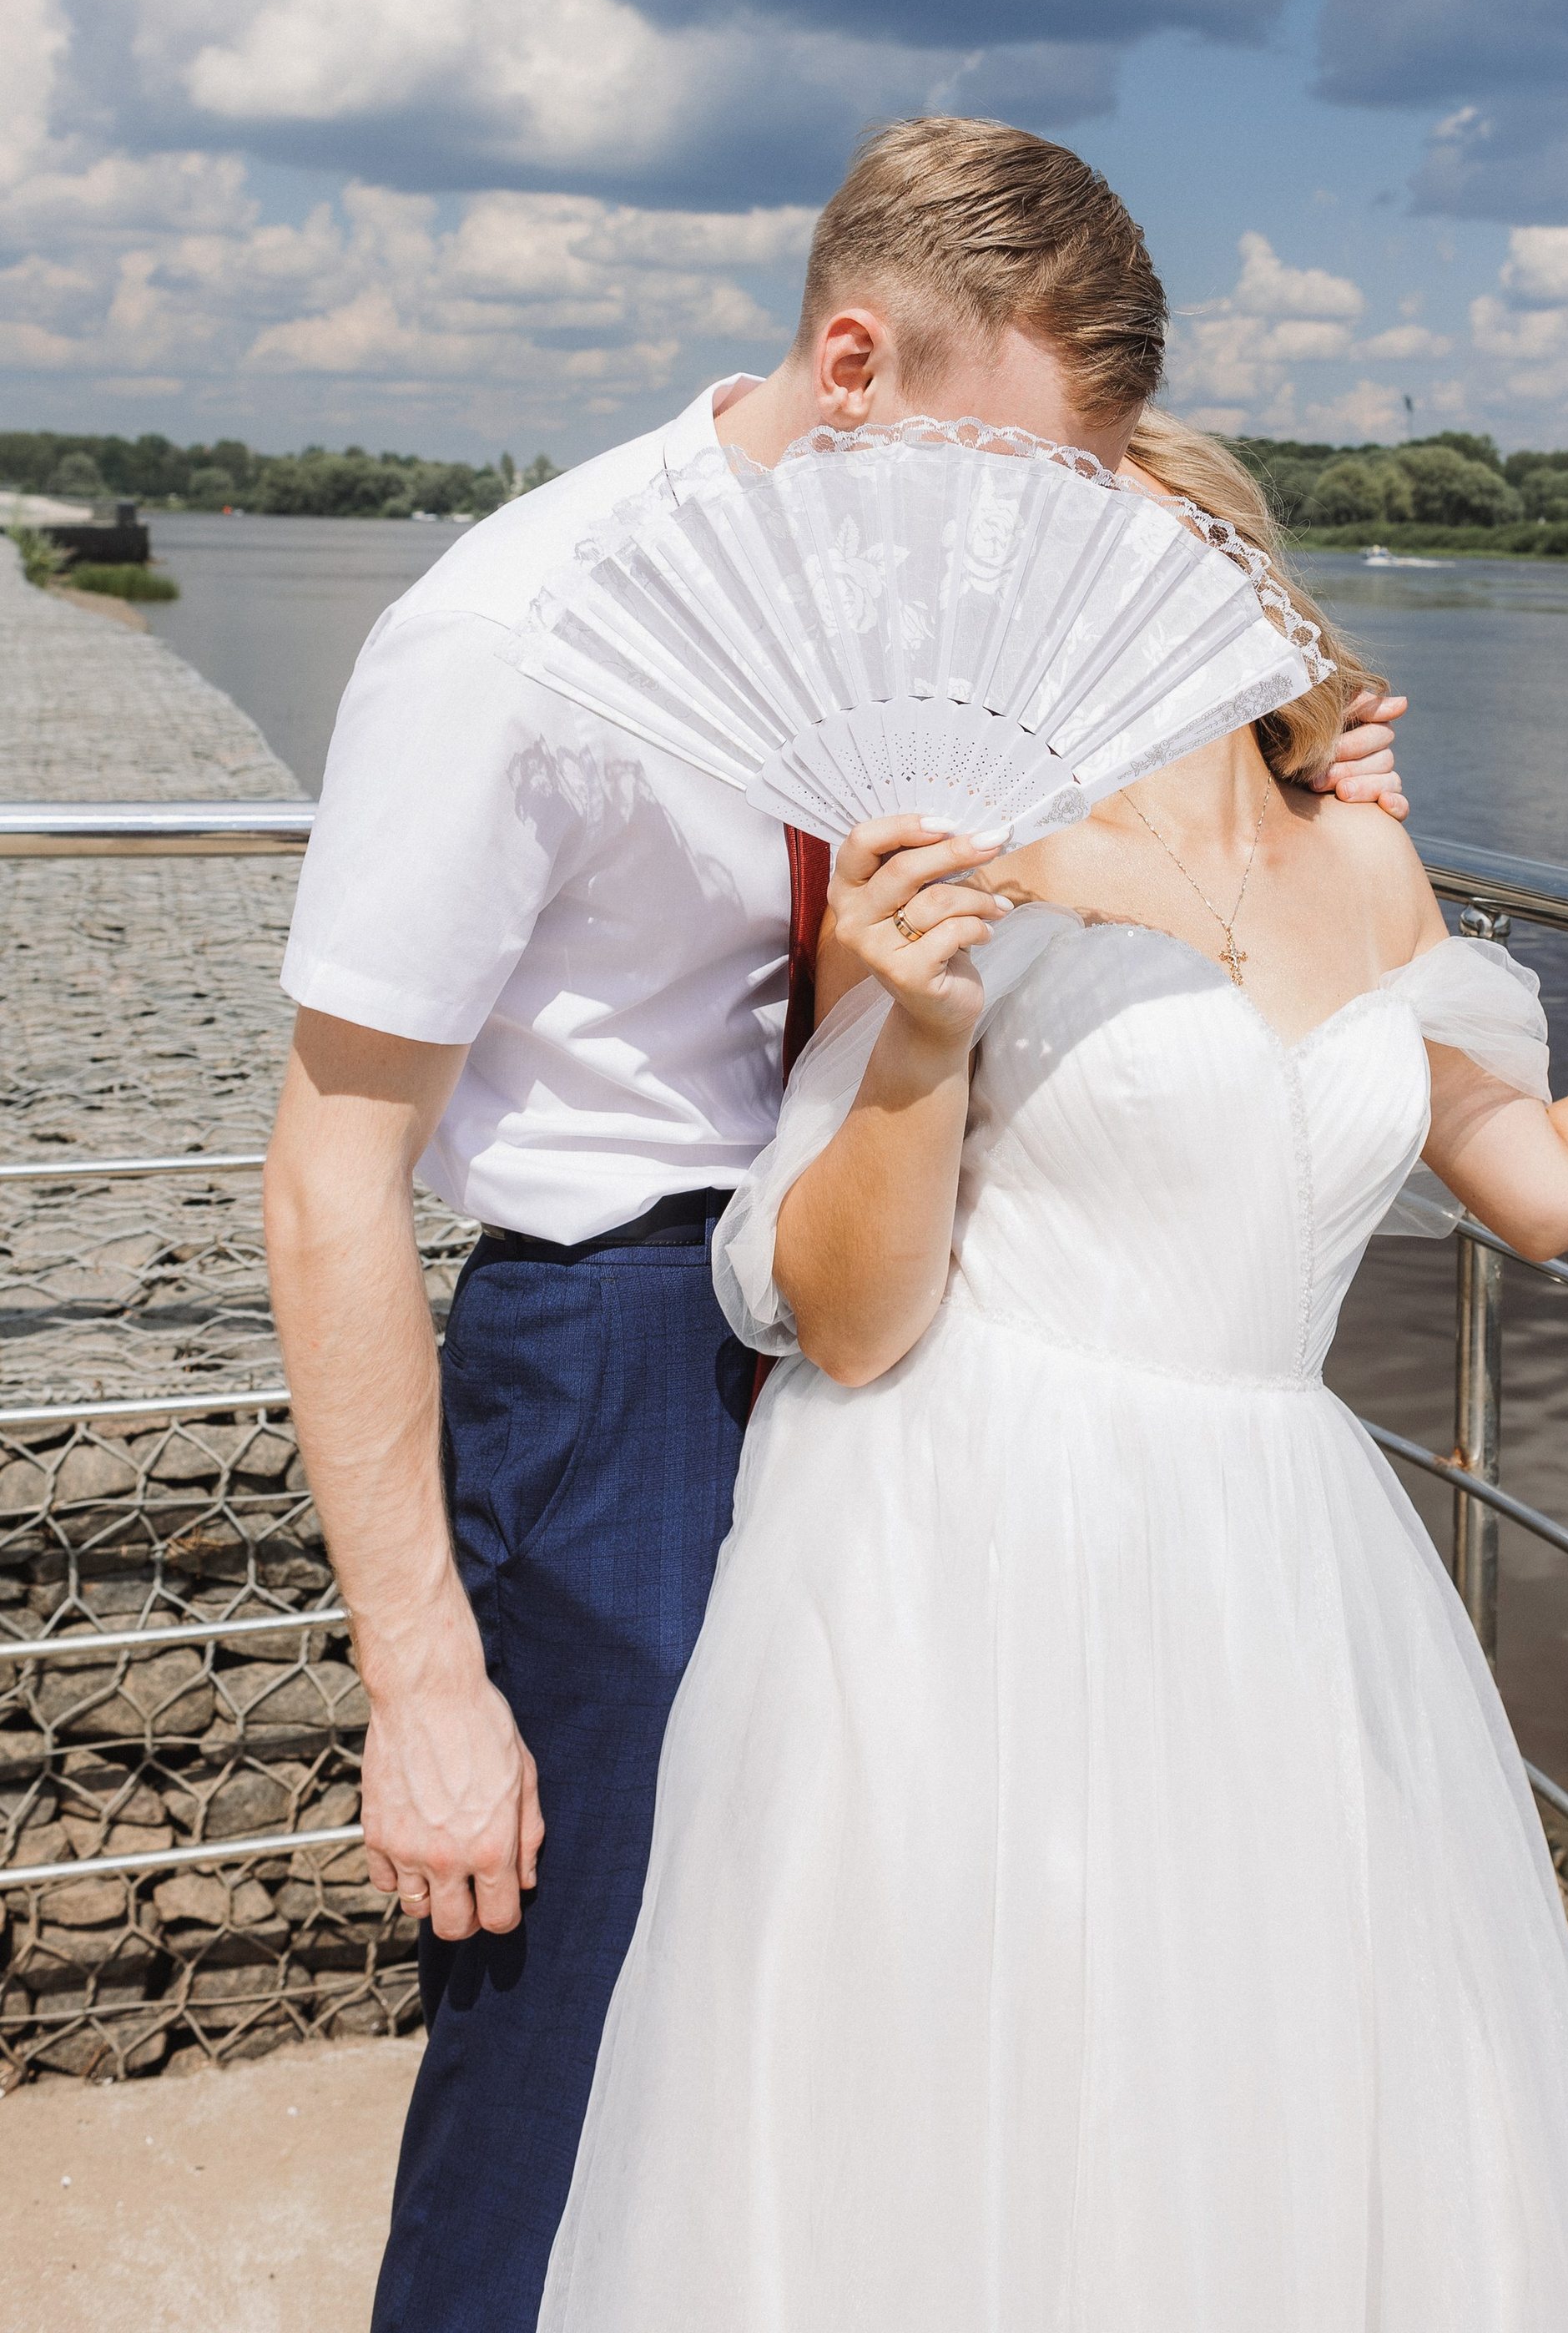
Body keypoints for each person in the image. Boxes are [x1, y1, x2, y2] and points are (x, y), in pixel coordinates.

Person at [537, 410, 1568, 2331]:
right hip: (966, 1535)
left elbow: (1545, 1184)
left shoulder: (1369, 866)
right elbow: (850, 1321)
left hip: (1270, 1561)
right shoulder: (957, 854)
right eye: (1049, 551)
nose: (1101, 584)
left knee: (1242, 2089)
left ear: (1249, 576)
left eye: (1149, 542)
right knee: (968, 2093)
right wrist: (910, 1034)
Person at [260, 124, 1409, 2333]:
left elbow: (1144, 818)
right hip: (620, 1358)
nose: (1042, 537)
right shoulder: (514, 634)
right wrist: (419, 1682)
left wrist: (1301, 771)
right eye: (1019, 474)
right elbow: (328, 1172)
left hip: (925, 1341)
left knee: (836, 2030)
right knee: (586, 2043)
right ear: (856, 359)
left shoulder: (940, 596)